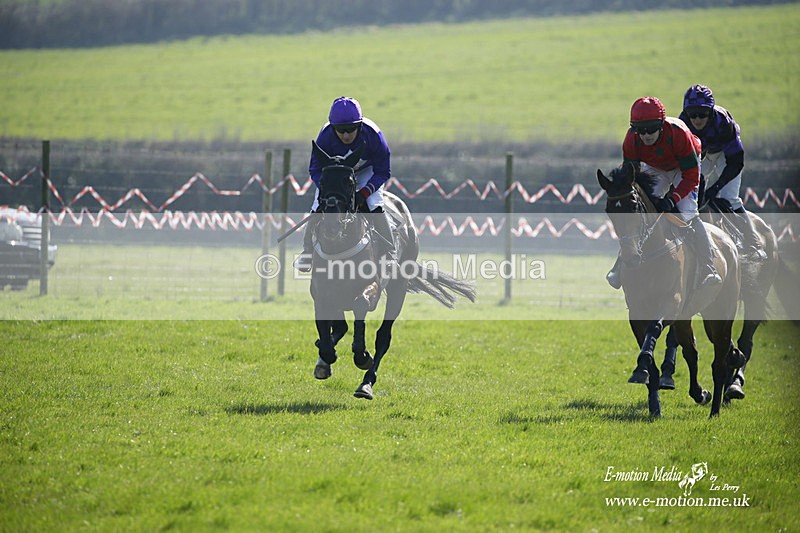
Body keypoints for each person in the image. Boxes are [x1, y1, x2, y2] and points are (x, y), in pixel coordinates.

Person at [606, 96, 722, 290]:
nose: (647, 135)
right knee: (639, 210)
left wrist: (672, 198)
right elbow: (631, 178)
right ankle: (620, 265)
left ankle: (708, 267)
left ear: (661, 124)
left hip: (684, 167)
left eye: (652, 128)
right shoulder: (631, 140)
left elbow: (691, 178)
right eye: (641, 130)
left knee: (687, 213)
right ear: (634, 129)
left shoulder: (678, 133)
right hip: (655, 168)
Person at [294, 96, 396, 272]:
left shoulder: (374, 135)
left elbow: (383, 171)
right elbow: (315, 170)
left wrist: (364, 193)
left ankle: (390, 253)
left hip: (366, 172)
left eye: (351, 129)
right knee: (318, 205)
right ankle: (307, 252)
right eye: (340, 130)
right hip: (334, 175)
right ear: (333, 127)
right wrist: (327, 189)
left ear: (360, 125)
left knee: (374, 204)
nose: (346, 135)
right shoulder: (325, 137)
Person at [679, 84, 766, 261]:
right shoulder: (684, 122)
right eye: (692, 114)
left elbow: (736, 162)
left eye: (702, 113)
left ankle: (753, 243)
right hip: (702, 152)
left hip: (726, 155)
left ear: (710, 112)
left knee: (728, 198)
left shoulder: (723, 122)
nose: (696, 119)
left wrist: (716, 186)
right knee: (693, 195)